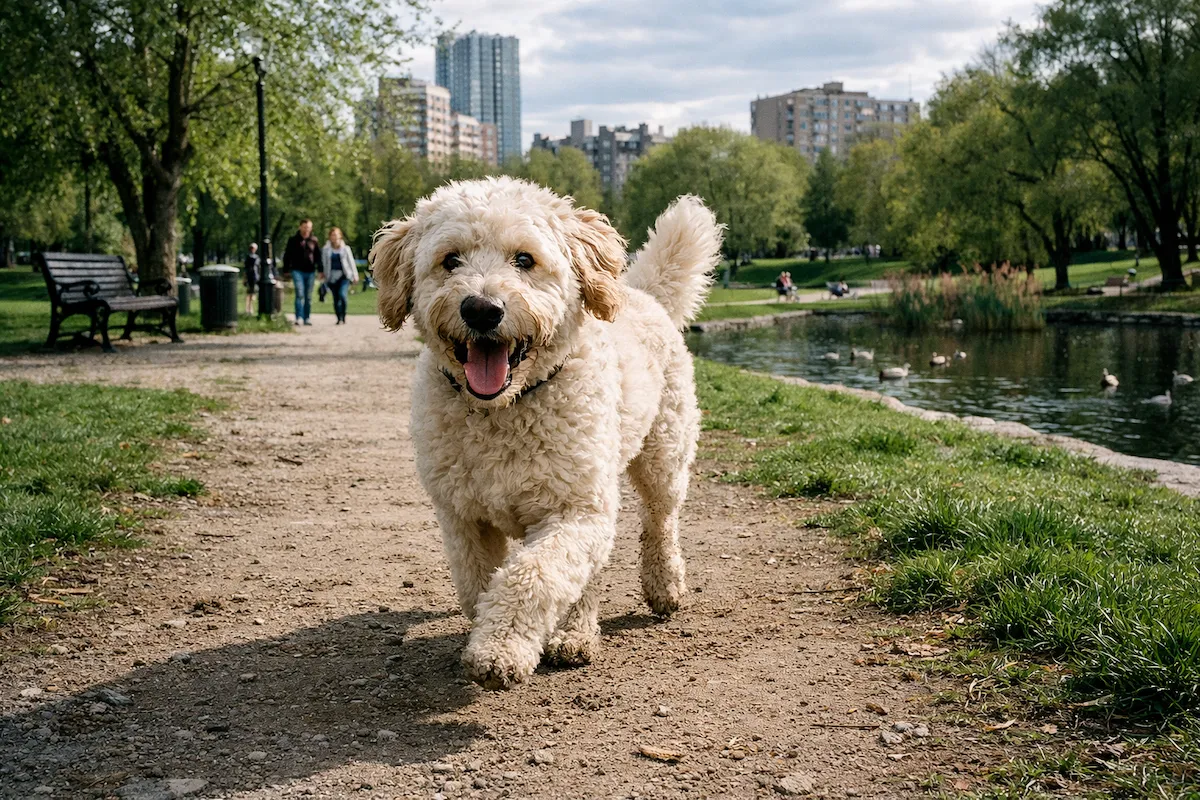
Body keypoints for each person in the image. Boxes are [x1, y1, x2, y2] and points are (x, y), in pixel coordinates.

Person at [283, 218, 321, 325]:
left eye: (308, 227)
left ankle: (306, 317)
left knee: (308, 296)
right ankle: (299, 317)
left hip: (310, 271)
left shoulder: (314, 240)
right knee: (300, 293)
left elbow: (318, 256)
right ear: (300, 227)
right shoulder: (293, 240)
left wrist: (321, 270)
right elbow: (287, 256)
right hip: (297, 270)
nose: (306, 229)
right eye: (304, 227)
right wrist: (286, 270)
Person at [321, 227, 359, 325]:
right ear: (330, 237)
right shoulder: (326, 250)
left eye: (336, 235)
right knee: (336, 298)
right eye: (332, 235)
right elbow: (324, 264)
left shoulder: (345, 249)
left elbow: (351, 262)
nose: (334, 237)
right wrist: (323, 275)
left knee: (342, 295)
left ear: (340, 236)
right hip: (331, 276)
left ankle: (343, 315)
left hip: (344, 276)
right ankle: (338, 318)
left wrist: (355, 275)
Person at [243, 243, 260, 315]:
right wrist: (245, 278)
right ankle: (249, 308)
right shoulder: (249, 257)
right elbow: (246, 269)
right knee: (250, 293)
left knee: (253, 293)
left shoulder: (257, 257)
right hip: (250, 277)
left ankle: (250, 308)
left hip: (255, 277)